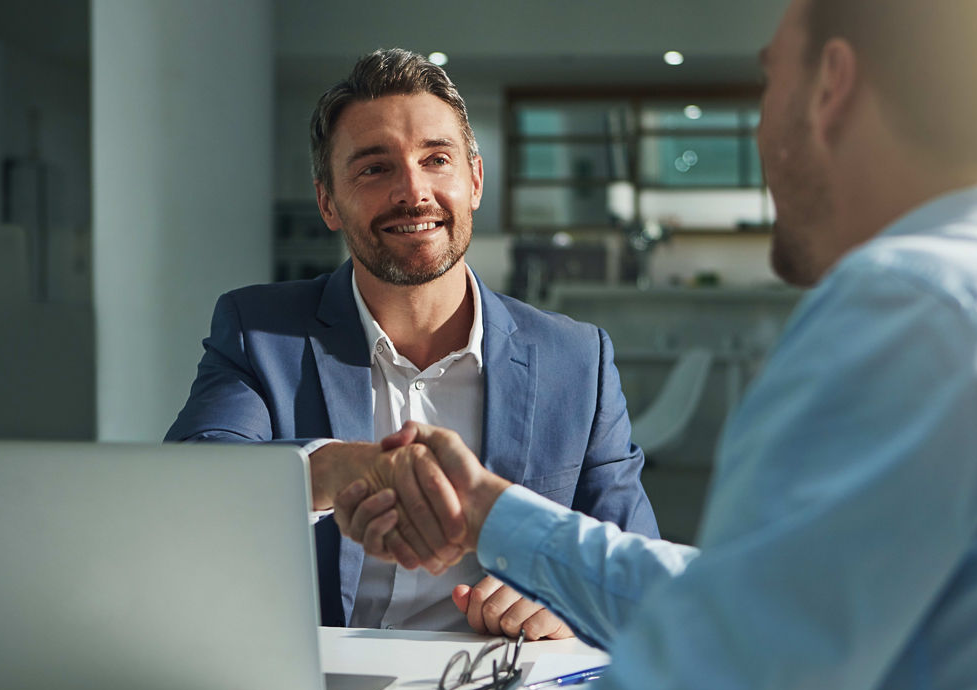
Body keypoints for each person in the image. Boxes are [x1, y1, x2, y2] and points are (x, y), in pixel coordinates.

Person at [337, 0, 977, 690]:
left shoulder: (905, 314)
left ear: (830, 89)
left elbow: (706, 688)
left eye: (771, 80)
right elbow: (742, 605)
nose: (765, 124)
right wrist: (492, 513)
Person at [165, 48, 659, 638]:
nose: (413, 191)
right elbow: (190, 484)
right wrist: (339, 468)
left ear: (474, 180)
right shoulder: (258, 331)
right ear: (328, 201)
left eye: (436, 159)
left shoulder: (577, 360)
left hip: (496, 689)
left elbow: (638, 570)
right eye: (375, 168)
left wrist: (572, 602)